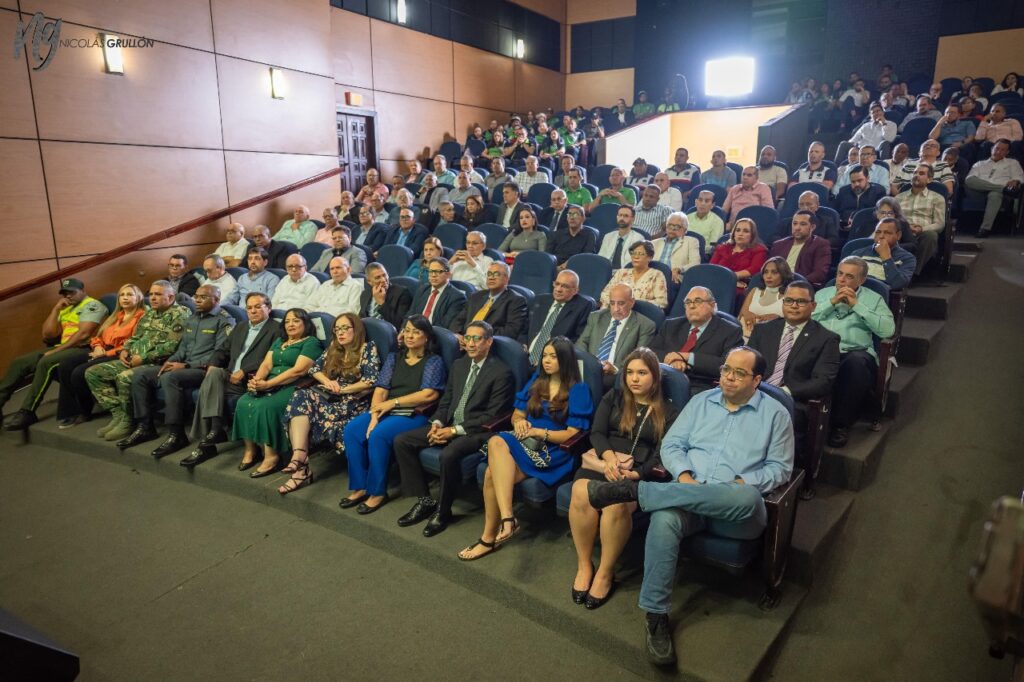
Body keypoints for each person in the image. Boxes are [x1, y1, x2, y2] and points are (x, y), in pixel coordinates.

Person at [584, 346, 794, 666]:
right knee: (665, 518)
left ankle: (639, 492)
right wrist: (682, 474)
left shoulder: (775, 414)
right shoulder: (700, 402)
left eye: (739, 373)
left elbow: (780, 469)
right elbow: (672, 444)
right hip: (686, 493)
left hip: (735, 510)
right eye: (726, 370)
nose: (729, 378)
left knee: (747, 496)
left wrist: (739, 483)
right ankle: (656, 617)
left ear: (757, 379)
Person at [457, 337, 593, 560]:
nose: (547, 361)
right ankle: (492, 534)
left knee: (496, 443)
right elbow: (518, 413)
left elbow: (572, 434)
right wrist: (520, 422)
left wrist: (540, 432)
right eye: (545, 356)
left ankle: (502, 526)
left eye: (553, 356)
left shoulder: (579, 390)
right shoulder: (536, 381)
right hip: (524, 441)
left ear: (565, 360)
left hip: (553, 450)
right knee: (492, 470)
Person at [568, 348, 681, 609]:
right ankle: (585, 565)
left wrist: (637, 473)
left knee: (616, 504)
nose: (634, 379)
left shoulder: (670, 412)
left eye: (642, 373)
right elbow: (596, 433)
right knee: (580, 492)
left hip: (639, 470)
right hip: (603, 461)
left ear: (655, 376)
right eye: (630, 372)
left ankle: (606, 572)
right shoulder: (615, 396)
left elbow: (665, 451)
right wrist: (609, 459)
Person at [393, 320, 515, 536]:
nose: (470, 343)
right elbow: (446, 401)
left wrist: (454, 431)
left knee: (449, 454)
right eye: (467, 338)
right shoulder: (459, 365)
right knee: (402, 441)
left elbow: (492, 416)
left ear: (488, 342)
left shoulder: (501, 372)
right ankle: (425, 499)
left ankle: (443, 510)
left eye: (476, 339)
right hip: (449, 424)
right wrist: (437, 423)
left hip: (479, 431)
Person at [340, 315, 446, 514]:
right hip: (384, 409)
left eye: (416, 332)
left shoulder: (434, 361)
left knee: (378, 435)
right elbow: (381, 389)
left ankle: (377, 491)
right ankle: (360, 485)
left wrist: (392, 403)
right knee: (353, 430)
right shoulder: (394, 357)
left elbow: (428, 394)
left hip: (414, 413)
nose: (410, 336)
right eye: (407, 330)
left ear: (427, 337)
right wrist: (373, 416)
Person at [118, 284, 234, 455]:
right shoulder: (193, 318)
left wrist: (186, 365)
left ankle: (176, 434)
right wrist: (171, 361)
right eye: (196, 296)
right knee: (140, 375)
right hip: (183, 365)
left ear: (216, 300)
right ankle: (145, 426)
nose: (197, 300)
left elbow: (220, 355)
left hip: (204, 370)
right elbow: (182, 348)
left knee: (169, 378)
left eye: (203, 297)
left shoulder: (224, 320)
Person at [278, 314, 380, 494]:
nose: (340, 333)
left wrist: (343, 389)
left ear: (356, 330)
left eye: (345, 328)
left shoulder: (367, 348)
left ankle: (300, 469)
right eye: (337, 329)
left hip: (353, 402)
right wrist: (327, 382)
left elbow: (371, 381)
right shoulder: (334, 347)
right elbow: (314, 369)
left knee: (302, 408)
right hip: (331, 396)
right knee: (300, 397)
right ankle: (300, 457)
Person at [182, 292, 283, 467]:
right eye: (249, 307)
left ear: (269, 308)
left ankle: (206, 442)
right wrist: (213, 364)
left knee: (207, 391)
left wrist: (244, 370)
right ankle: (214, 431)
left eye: (258, 307)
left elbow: (272, 358)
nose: (253, 311)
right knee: (212, 375)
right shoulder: (241, 327)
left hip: (250, 379)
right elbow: (222, 350)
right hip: (229, 376)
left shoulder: (277, 329)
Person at [85, 281, 189, 442]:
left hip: (159, 363)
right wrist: (125, 350)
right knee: (94, 373)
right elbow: (135, 337)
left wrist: (143, 358)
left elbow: (172, 346)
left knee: (124, 377)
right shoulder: (150, 313)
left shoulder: (180, 314)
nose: (153, 298)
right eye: (152, 294)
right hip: (134, 359)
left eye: (158, 294)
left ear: (171, 297)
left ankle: (129, 421)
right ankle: (118, 415)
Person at [0, 278, 108, 430]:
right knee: (20, 362)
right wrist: (55, 310)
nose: (68, 296)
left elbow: (83, 335)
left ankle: (27, 411)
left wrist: (56, 350)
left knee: (47, 361)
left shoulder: (93, 305)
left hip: (84, 348)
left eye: (72, 292)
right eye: (64, 293)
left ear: (83, 291)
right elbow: (48, 335)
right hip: (63, 346)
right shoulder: (65, 307)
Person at [813, 257, 895, 447]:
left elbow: (887, 330)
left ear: (862, 280)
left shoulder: (874, 299)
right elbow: (804, 320)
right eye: (840, 274)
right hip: (822, 351)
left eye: (849, 276)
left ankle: (840, 425)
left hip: (855, 353)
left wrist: (857, 305)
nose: (841, 280)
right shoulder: (823, 294)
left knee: (855, 364)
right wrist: (830, 303)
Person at [232, 308, 322, 476]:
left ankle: (271, 456)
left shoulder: (310, 342)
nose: (290, 324)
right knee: (244, 401)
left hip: (293, 385)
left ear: (305, 323)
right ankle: (250, 451)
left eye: (296, 320)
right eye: (287, 321)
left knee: (267, 406)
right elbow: (266, 365)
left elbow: (298, 371)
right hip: (269, 382)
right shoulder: (280, 341)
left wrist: (268, 384)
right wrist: (257, 381)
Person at [748, 281, 840, 433]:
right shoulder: (762, 330)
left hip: (792, 399)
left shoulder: (826, 339)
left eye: (801, 301)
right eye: (789, 300)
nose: (794, 306)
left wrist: (784, 392)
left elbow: (823, 382)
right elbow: (747, 364)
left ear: (814, 306)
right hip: (754, 391)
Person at [54, 284, 145, 429]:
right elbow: (98, 336)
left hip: (118, 354)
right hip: (100, 349)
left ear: (138, 298)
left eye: (130, 294)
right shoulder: (115, 316)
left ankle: (85, 411)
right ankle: (69, 411)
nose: (125, 298)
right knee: (65, 364)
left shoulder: (142, 317)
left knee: (79, 372)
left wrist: (105, 353)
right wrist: (97, 346)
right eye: (122, 295)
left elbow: (133, 343)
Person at [650, 286, 743, 394]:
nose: (692, 306)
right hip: (663, 378)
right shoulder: (671, 325)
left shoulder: (730, 331)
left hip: (701, 385)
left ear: (712, 305)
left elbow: (728, 365)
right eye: (688, 302)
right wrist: (673, 359)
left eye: (698, 301)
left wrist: (687, 357)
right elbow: (651, 352)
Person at [577, 283, 656, 389]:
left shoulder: (645, 325)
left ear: (631, 302)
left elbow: (639, 358)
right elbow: (581, 343)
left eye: (621, 303)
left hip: (615, 375)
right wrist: (589, 363)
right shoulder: (596, 317)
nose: (615, 309)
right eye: (612, 303)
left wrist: (615, 369)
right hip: (589, 368)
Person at [527, 270, 593, 362]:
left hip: (554, 359)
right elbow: (524, 328)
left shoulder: (582, 307)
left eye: (565, 286)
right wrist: (522, 344)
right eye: (557, 284)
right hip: (526, 354)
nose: (558, 289)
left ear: (575, 291)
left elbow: (579, 339)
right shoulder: (540, 300)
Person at [453, 262, 528, 343]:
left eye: (496, 274)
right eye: (489, 274)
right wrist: (457, 334)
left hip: (488, 344)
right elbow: (459, 320)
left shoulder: (516, 300)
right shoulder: (476, 296)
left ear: (506, 278)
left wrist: (478, 338)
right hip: (464, 341)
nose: (491, 277)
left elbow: (511, 330)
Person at [894, 164, 946, 276]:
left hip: (922, 233)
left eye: (921, 173)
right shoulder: (899, 197)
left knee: (931, 236)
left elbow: (940, 224)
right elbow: (893, 217)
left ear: (929, 179)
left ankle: (912, 274)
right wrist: (906, 227)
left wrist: (922, 229)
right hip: (901, 231)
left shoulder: (937, 198)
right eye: (915, 173)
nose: (916, 175)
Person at [966, 139, 1024, 238]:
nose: (998, 151)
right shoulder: (980, 163)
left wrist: (1016, 181)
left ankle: (984, 229)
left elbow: (1019, 177)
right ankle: (1001, 189)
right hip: (978, 192)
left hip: (999, 196)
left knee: (994, 194)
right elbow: (970, 180)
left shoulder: (1012, 163)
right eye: (997, 148)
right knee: (969, 180)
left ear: (1007, 152)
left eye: (1002, 150)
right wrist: (1003, 188)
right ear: (992, 148)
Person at [847, 218, 916, 290]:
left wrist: (886, 257)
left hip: (880, 297)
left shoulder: (907, 258)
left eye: (887, 232)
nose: (881, 236)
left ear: (898, 235)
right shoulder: (858, 254)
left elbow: (898, 284)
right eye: (878, 232)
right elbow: (845, 279)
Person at [599, 241, 669, 310]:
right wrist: (618, 304)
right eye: (633, 253)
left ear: (650, 257)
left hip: (641, 314)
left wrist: (633, 304)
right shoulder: (621, 273)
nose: (636, 257)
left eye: (641, 254)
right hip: (615, 310)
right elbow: (605, 294)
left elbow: (662, 302)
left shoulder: (657, 275)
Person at [768, 211, 831, 287]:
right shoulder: (778, 244)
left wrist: (796, 283)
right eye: (795, 223)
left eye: (803, 224)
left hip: (800, 287)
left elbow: (820, 273)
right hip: (775, 284)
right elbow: (769, 268)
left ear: (812, 227)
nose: (797, 228)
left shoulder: (820, 244)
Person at [710, 217, 768, 297]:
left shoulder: (758, 250)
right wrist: (729, 279)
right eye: (738, 230)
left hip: (741, 286)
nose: (740, 234)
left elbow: (754, 269)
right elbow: (711, 267)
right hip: (717, 281)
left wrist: (730, 278)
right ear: (733, 234)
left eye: (746, 231)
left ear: (752, 235)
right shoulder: (722, 248)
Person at [738, 257, 793, 340]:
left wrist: (779, 318)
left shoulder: (790, 296)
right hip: (744, 336)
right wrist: (749, 315)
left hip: (771, 340)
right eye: (765, 272)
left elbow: (794, 324)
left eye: (774, 272)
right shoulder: (754, 291)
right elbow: (741, 316)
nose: (768, 276)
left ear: (783, 274)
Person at [408, 257, 466, 329]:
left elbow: (446, 324)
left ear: (448, 274)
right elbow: (410, 314)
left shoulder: (457, 297)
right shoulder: (422, 290)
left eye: (438, 272)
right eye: (431, 271)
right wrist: (404, 330)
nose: (433, 275)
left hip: (434, 334)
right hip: (413, 332)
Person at [890, 139, 955, 195]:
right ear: (919, 152)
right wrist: (901, 198)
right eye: (925, 145)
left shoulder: (943, 166)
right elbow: (894, 186)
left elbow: (949, 190)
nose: (928, 146)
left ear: (938, 153)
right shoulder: (908, 165)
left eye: (933, 146)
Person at [651, 212, 700, 284]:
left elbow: (695, 263)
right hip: (652, 278)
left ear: (685, 229)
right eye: (669, 225)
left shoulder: (691, 242)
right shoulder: (654, 243)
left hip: (673, 279)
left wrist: (680, 269)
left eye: (677, 226)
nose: (672, 229)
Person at [359, 263, 412, 328]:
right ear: (369, 281)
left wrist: (382, 303)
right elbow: (362, 318)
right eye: (377, 277)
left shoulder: (401, 293)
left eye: (384, 275)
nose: (383, 280)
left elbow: (400, 323)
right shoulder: (365, 294)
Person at [686, 190, 725, 255]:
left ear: (712, 205)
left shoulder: (717, 222)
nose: (702, 203)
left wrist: (693, 249)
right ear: (696, 202)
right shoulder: (687, 217)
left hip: (702, 255)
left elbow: (713, 246)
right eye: (700, 200)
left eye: (707, 201)